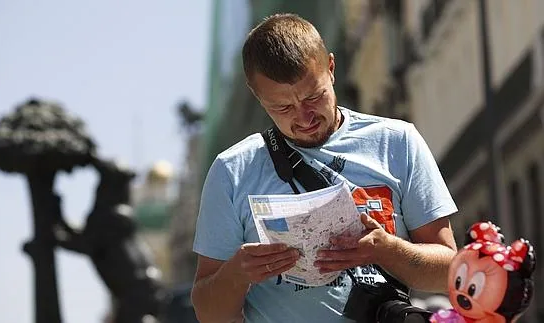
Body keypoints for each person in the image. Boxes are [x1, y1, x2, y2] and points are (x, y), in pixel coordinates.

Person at [191, 13, 458, 323]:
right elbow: (208, 313)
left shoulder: (397, 142)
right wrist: (238, 272)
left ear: (331, 69)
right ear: (259, 97)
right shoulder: (231, 171)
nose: (305, 118)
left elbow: (450, 271)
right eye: (284, 108)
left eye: (314, 97)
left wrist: (387, 250)